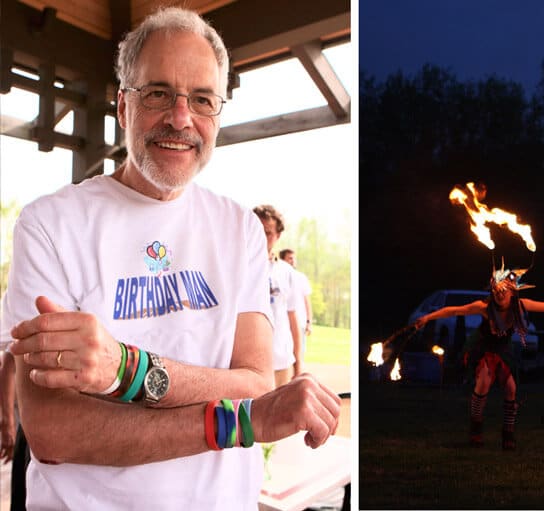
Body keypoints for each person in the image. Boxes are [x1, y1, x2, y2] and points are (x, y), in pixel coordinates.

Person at [2, 7, 340, 509]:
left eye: (202, 99)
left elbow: (254, 380)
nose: (181, 118)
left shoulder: (239, 228)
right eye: (158, 93)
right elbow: (55, 431)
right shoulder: (52, 224)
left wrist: (127, 370)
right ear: (122, 107)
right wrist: (238, 419)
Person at [413, 262, 544, 450]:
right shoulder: (484, 307)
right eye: (496, 292)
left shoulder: (519, 306)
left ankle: (508, 434)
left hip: (503, 349)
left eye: (503, 291)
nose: (499, 295)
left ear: (512, 292)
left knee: (511, 388)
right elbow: (454, 310)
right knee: (483, 383)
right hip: (482, 347)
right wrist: (427, 318)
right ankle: (476, 430)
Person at [254, 206, 303, 387]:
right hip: (246, 366)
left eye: (267, 233)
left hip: (281, 361)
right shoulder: (237, 267)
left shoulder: (286, 272)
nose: (261, 237)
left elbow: (292, 317)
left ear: (278, 236)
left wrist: (299, 363)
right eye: (256, 230)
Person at [280, 248, 313, 344]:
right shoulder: (277, 276)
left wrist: (309, 322)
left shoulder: (301, 278)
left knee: (299, 355)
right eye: (290, 258)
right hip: (282, 324)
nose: (293, 261)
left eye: (294, 258)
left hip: (300, 323)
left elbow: (307, 301)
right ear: (282, 260)